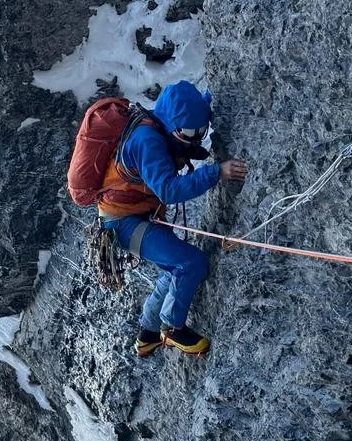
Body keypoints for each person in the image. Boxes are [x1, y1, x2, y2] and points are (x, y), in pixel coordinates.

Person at [96, 80, 247, 356]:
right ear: (171, 122)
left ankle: (148, 334)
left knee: (173, 267)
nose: (196, 137)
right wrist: (215, 172)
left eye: (201, 131)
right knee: (190, 263)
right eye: (189, 132)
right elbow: (167, 189)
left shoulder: (160, 128)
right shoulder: (147, 141)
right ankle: (172, 328)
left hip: (131, 216)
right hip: (124, 223)